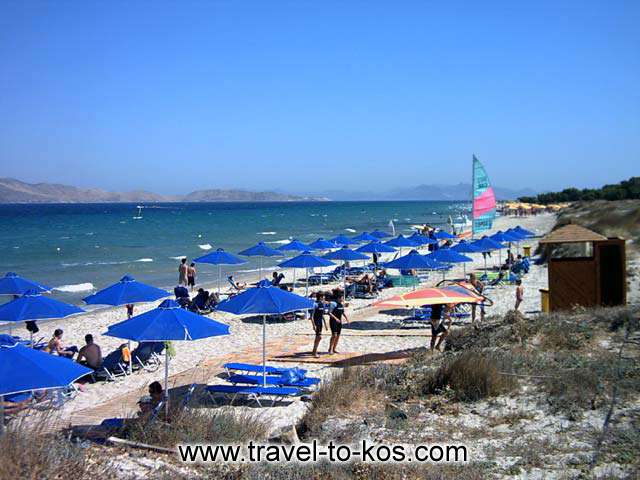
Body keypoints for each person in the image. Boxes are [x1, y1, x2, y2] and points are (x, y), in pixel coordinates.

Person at [311, 293, 328, 358]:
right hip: (316, 322)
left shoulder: (322, 304)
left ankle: (314, 350)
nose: (324, 298)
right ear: (320, 297)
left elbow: (322, 315)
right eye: (323, 297)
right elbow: (312, 316)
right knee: (319, 337)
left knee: (318, 337)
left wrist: (325, 324)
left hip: (320, 322)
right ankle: (314, 352)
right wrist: (313, 325)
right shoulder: (315, 304)